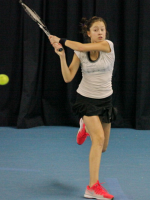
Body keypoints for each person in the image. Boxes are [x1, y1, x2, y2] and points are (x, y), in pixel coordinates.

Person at [49, 16, 116, 200]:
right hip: (86, 100)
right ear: (89, 33)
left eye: (102, 29)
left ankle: (85, 126)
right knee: (99, 139)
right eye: (96, 30)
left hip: (105, 101)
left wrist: (61, 39)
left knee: (103, 147)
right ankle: (92, 187)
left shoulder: (107, 45)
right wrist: (62, 55)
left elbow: (80, 46)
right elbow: (68, 77)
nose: (100, 32)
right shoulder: (79, 52)